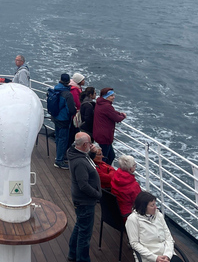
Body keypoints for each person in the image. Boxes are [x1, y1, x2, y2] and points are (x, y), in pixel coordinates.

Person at [67, 132, 102, 262]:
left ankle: (72, 254)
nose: (92, 145)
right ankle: (82, 259)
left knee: (80, 226)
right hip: (85, 202)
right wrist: (97, 194)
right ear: (85, 144)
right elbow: (83, 185)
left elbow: (87, 158)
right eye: (90, 143)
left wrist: (91, 153)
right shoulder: (80, 162)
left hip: (80, 201)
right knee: (85, 235)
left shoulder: (75, 152)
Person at [126, 191, 182, 262]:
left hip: (166, 255)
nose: (156, 207)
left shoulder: (159, 215)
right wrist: (155, 258)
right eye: (152, 205)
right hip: (149, 258)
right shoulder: (133, 220)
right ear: (143, 207)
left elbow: (169, 238)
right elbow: (134, 244)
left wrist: (167, 255)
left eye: (155, 204)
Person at [93, 88, 126, 165]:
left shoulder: (100, 102)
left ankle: (106, 172)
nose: (113, 97)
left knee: (111, 156)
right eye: (111, 96)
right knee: (104, 158)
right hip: (104, 136)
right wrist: (123, 115)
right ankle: (101, 174)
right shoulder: (107, 106)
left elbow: (112, 113)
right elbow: (117, 118)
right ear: (106, 97)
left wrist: (118, 113)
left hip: (100, 133)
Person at [51, 73, 77, 170]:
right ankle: (59, 161)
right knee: (63, 139)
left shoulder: (56, 88)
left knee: (58, 137)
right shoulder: (67, 94)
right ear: (68, 81)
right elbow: (71, 110)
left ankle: (59, 155)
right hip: (64, 119)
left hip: (55, 117)